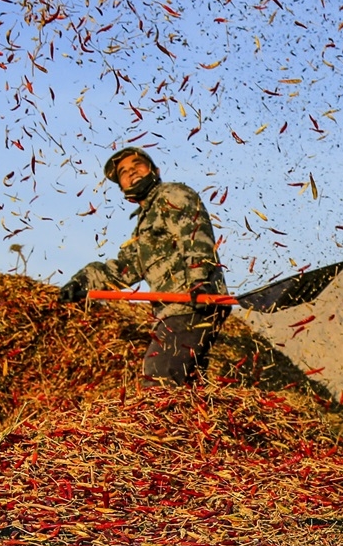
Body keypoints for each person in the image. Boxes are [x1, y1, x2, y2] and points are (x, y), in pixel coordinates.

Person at [60, 147, 228, 383]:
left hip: (192, 303)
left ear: (155, 170)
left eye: (137, 164)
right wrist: (82, 281)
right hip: (172, 309)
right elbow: (124, 269)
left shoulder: (173, 195)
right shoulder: (144, 226)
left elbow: (195, 234)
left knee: (159, 377)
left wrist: (198, 281)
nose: (131, 172)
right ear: (124, 191)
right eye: (124, 172)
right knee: (187, 385)